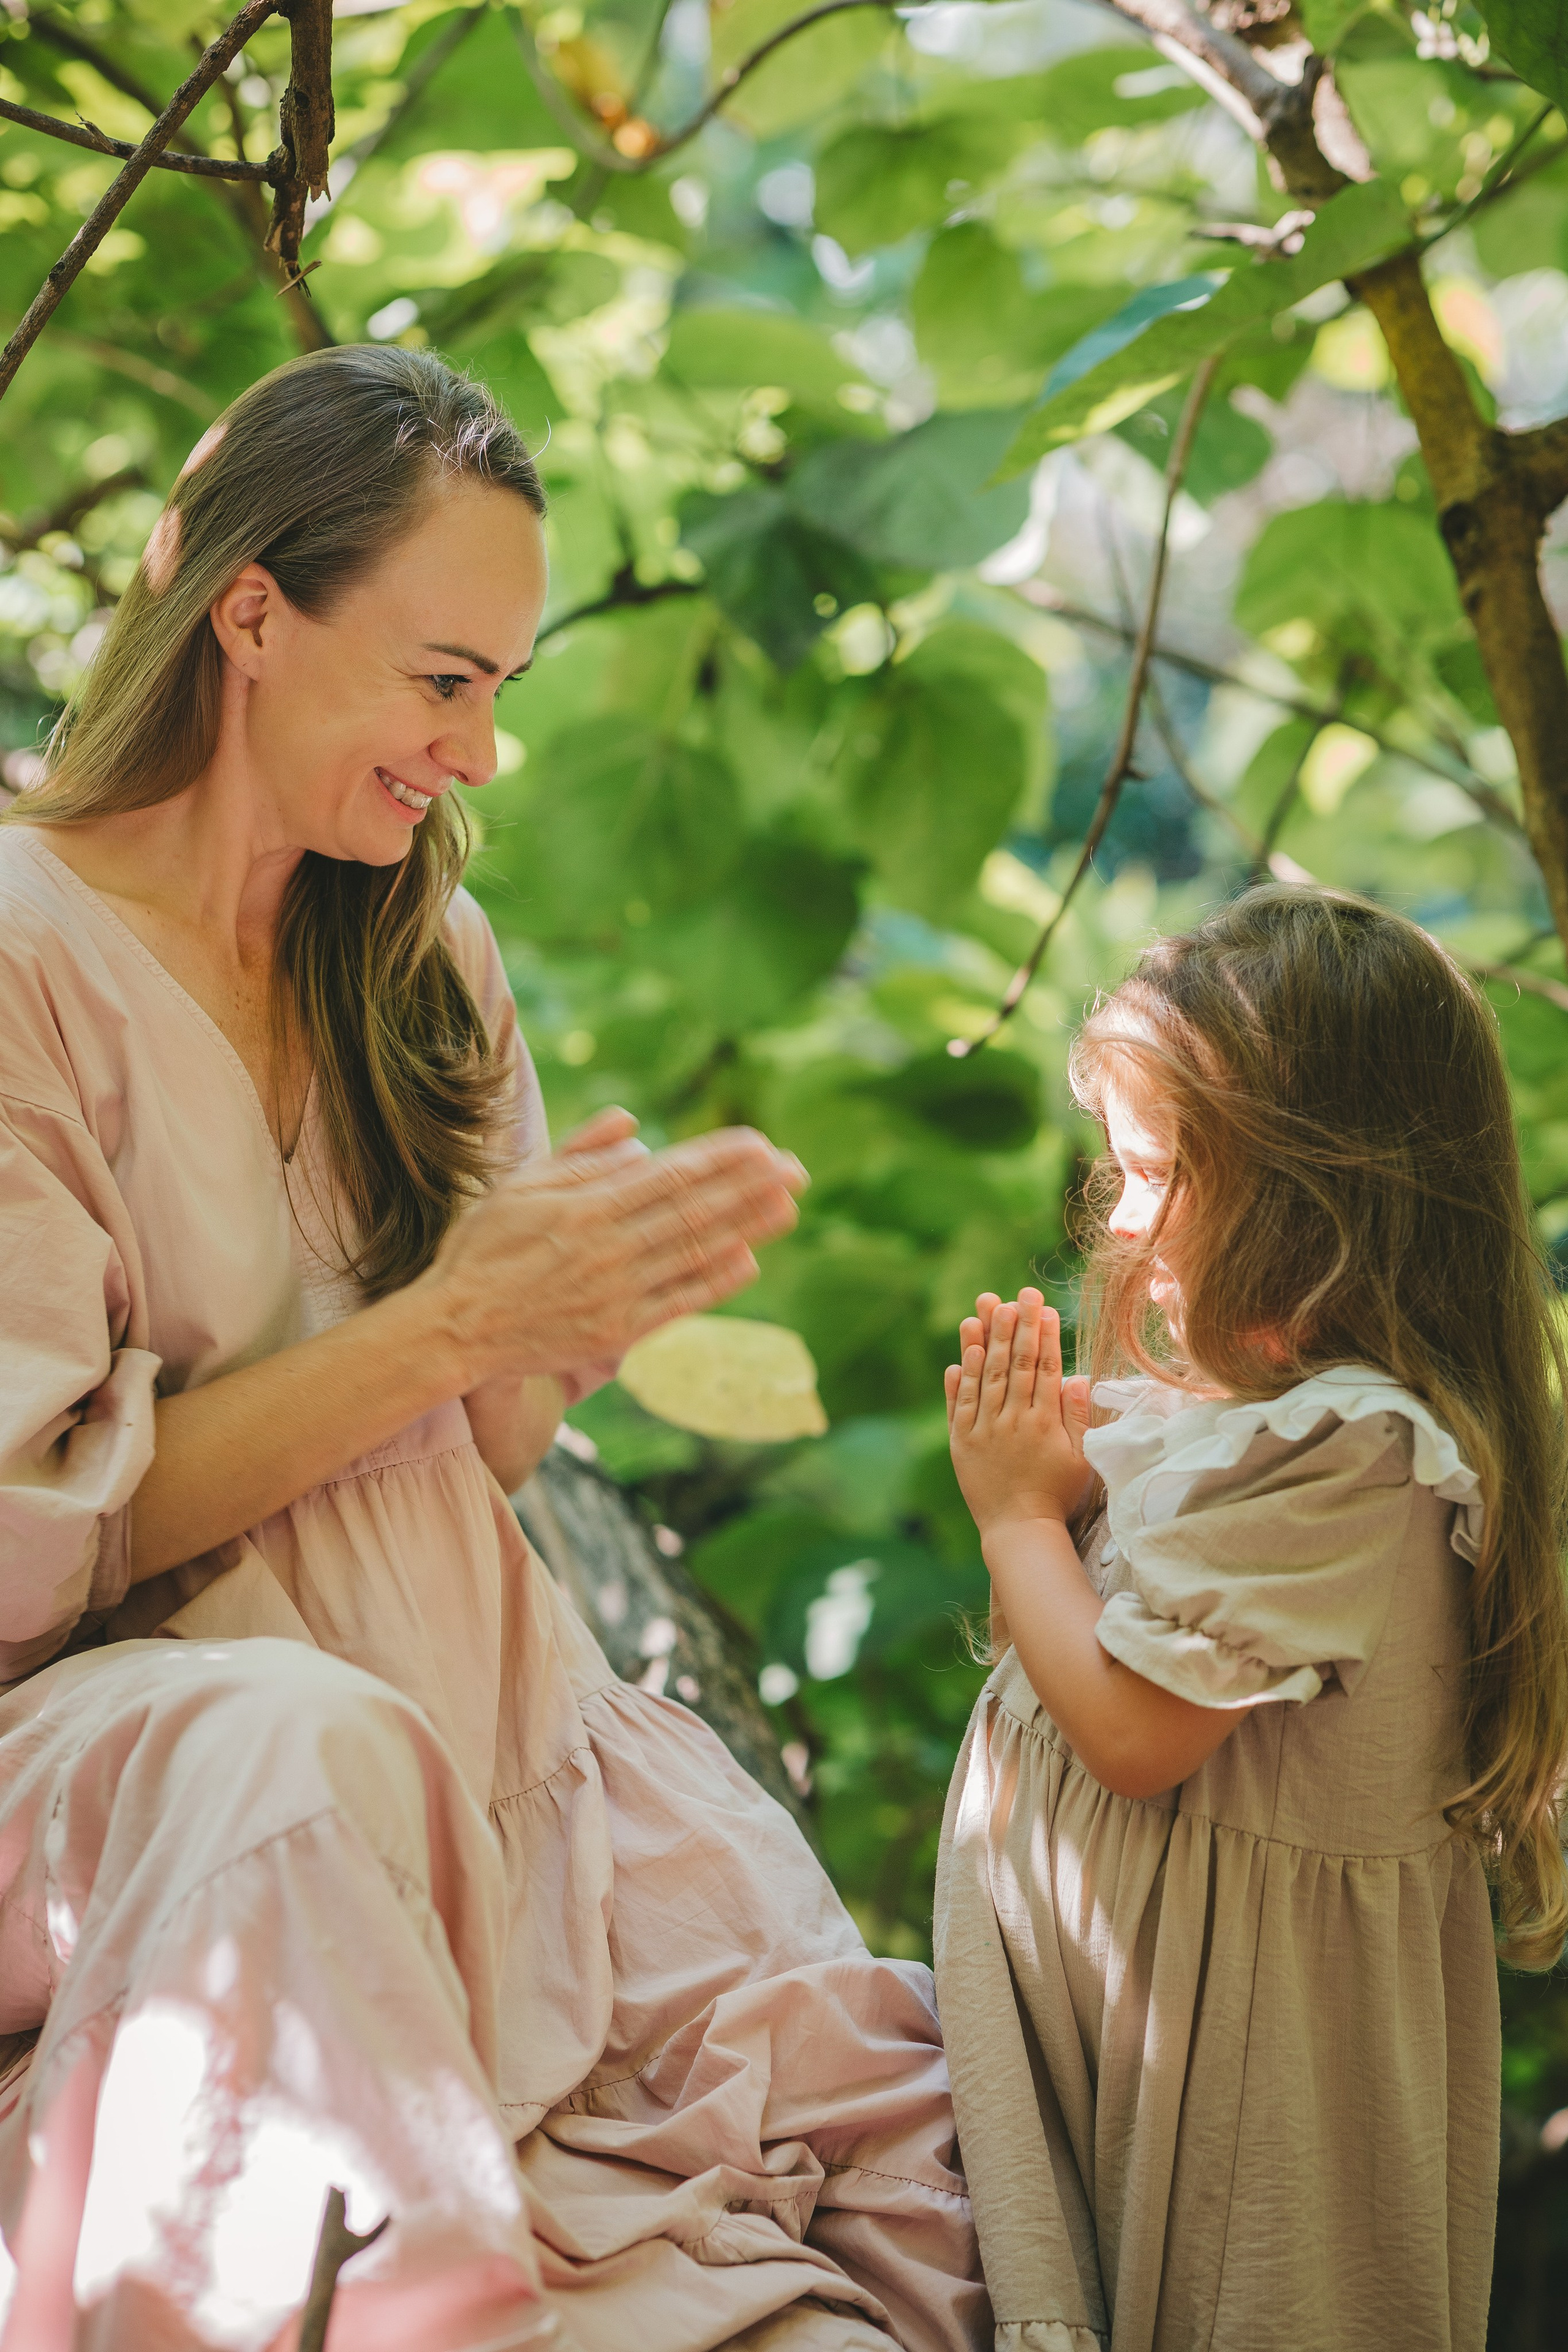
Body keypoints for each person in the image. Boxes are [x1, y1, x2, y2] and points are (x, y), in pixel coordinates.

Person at [0, 347, 986, 2352]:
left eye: (505, 690)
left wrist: (559, 1320)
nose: (484, 749)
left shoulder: (425, 954)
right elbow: (38, 1550)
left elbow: (476, 1460)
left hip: (490, 1722)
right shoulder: (24, 956)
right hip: (144, 1773)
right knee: (308, 1749)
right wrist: (452, 1318)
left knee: (902, 2188)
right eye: (446, 680)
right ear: (250, 615)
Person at [934, 886, 1568, 2352]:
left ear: (1318, 1197)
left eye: (1158, 1172)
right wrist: (1063, 1490)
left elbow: (1131, 1734)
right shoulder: (1247, 1431)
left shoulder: (1352, 1455)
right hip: (1133, 2051)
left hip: (1238, 2089)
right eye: (1119, 1168)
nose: (1121, 1216)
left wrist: (1015, 1519)